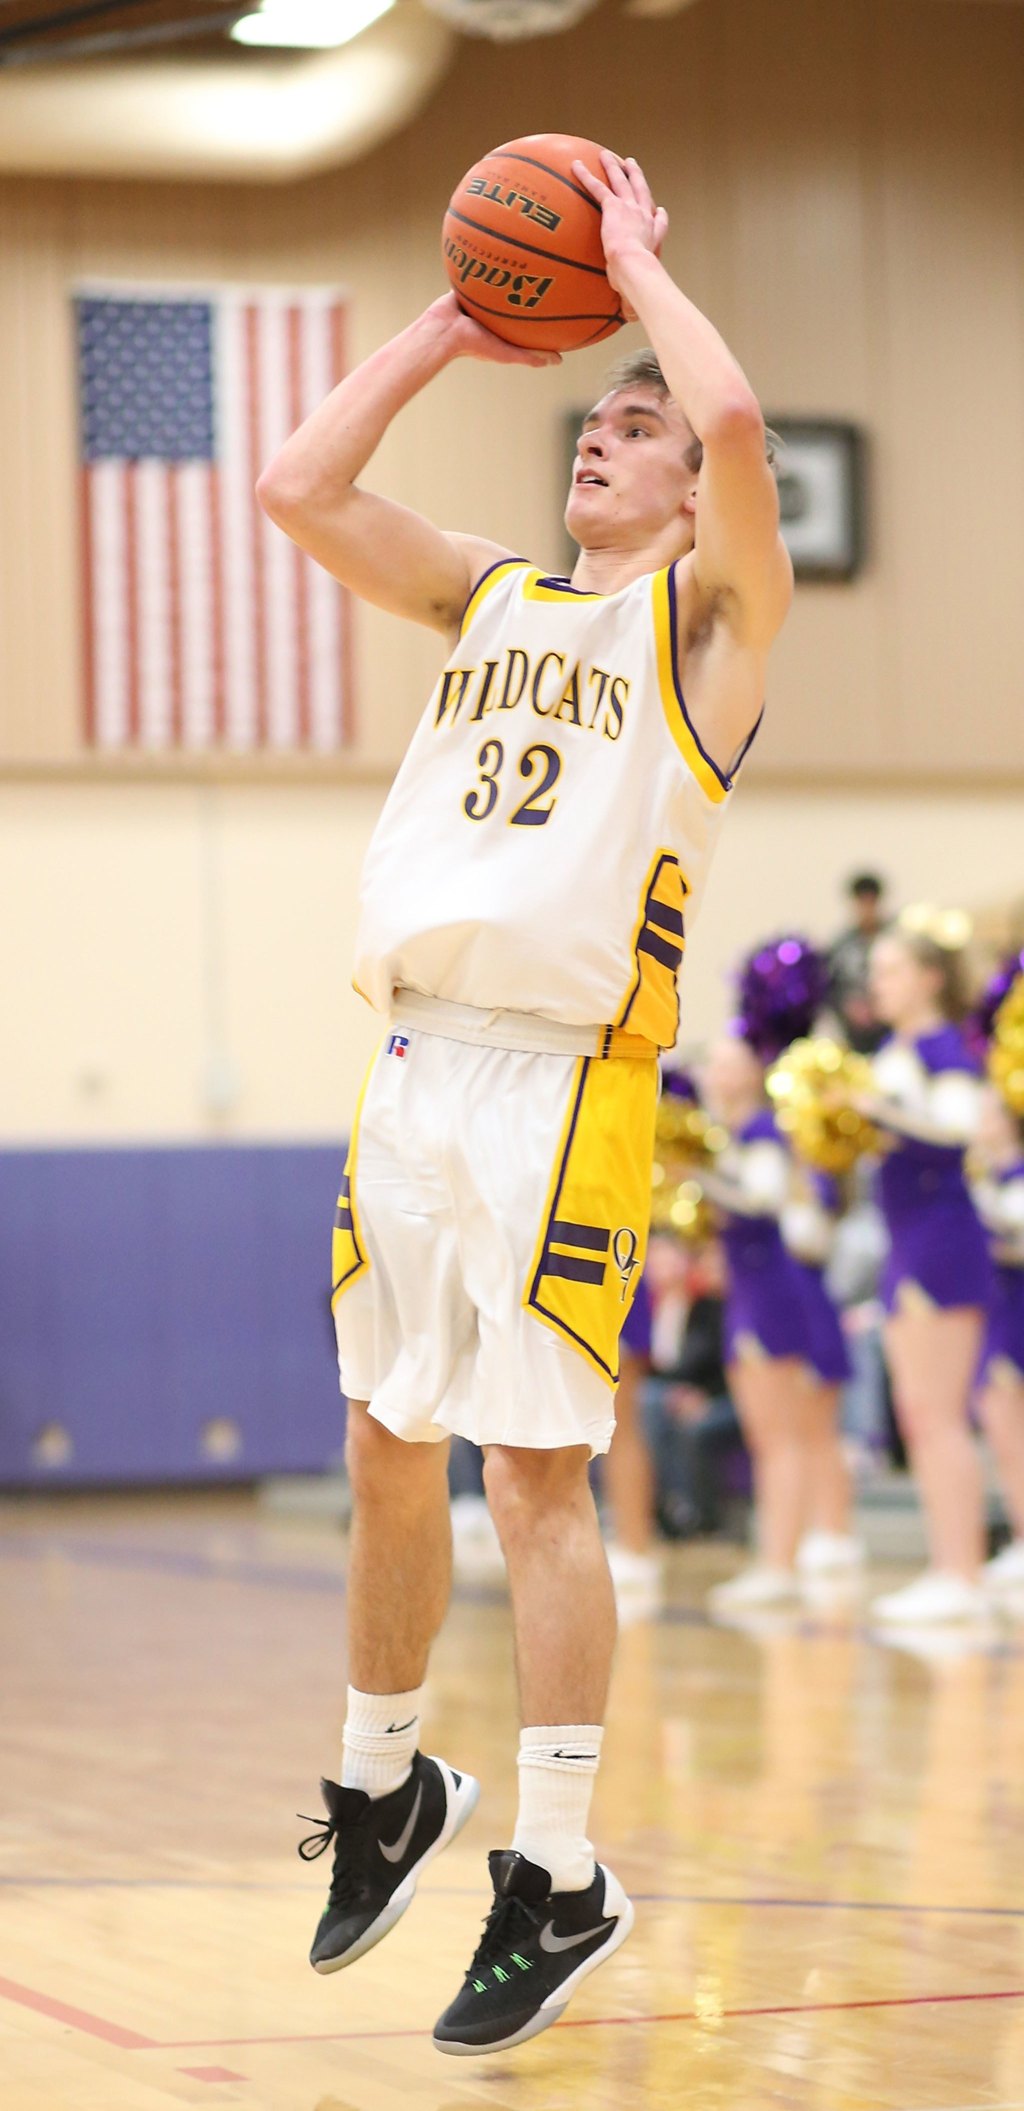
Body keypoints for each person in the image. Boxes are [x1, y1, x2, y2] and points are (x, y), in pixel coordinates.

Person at [260, 148, 792, 2055]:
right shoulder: (489, 603)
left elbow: (728, 405)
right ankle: (385, 1781)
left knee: (533, 1478)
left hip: (565, 1087)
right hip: (409, 1069)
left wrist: (633, 265)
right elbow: (296, 487)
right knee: (385, 1449)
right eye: (585, 415)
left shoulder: (707, 635)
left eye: (627, 426)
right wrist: (452, 317)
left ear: (685, 491)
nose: (607, 431)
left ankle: (558, 1867)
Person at [854, 926, 991, 1625]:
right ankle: (948, 1565)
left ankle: (961, 1572)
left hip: (942, 1236)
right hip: (907, 1236)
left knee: (938, 1414)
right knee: (917, 1411)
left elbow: (961, 1128)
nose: (878, 982)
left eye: (892, 969)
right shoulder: (896, 1052)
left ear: (930, 977)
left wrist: (885, 1113)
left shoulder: (942, 1047)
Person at [700, 1036, 829, 1612]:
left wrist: (696, 1178)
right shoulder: (730, 1134)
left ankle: (781, 1563)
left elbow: (762, 1199)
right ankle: (775, 1559)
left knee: (780, 1435)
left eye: (731, 1061)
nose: (719, 1072)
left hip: (770, 1289)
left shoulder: (760, 1133)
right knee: (764, 1435)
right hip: (747, 1288)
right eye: (715, 1062)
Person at [780, 1165, 863, 1579]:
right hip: (788, 1314)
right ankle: (819, 1527)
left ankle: (835, 1530)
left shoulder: (817, 1178)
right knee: (798, 1429)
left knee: (820, 1431)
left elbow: (806, 1237)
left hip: (814, 1318)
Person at [971, 1086, 1024, 1592]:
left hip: (1016, 1309)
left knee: (1012, 1429)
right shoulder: (986, 1176)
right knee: (1001, 1432)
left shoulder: (1012, 1177)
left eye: (988, 1113)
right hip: (996, 1307)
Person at [827, 873, 889, 1054]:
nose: (867, 909)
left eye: (871, 902)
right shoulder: (841, 946)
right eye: (862, 903)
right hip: (855, 1031)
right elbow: (830, 988)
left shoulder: (892, 940)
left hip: (887, 1026)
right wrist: (848, 1006)